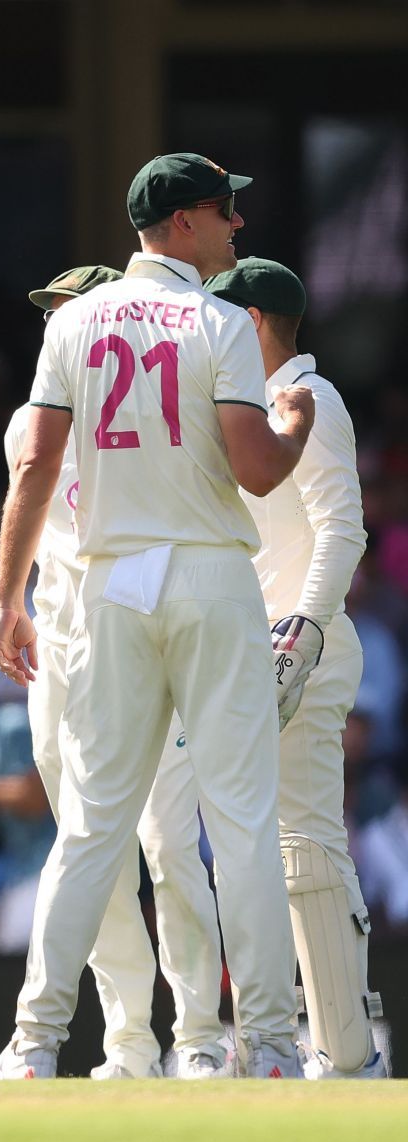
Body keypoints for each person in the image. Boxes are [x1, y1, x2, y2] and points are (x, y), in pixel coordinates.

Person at [0, 154, 312, 1078]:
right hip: (207, 576)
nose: (236, 227)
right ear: (179, 223)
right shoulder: (222, 322)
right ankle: (274, 1046)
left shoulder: (74, 320)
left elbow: (36, 468)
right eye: (223, 212)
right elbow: (257, 469)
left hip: (106, 581)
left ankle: (34, 1045)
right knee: (240, 820)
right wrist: (293, 425)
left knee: (91, 824)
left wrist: (8, 596)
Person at [7, 267, 226, 1080]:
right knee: (88, 849)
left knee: (170, 846)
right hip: (60, 657)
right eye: (54, 314)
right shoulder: (27, 424)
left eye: (70, 313)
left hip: (135, 636)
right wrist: (15, 602)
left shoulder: (155, 416)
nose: (59, 327)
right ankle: (128, 1040)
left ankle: (201, 1037)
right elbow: (32, 519)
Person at [203, 257, 383, 1078]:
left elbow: (343, 530)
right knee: (259, 851)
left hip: (303, 645)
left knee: (306, 844)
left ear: (250, 323)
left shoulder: (316, 401)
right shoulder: (244, 409)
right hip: (247, 643)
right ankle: (287, 1042)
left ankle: (348, 1056)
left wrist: (301, 633)